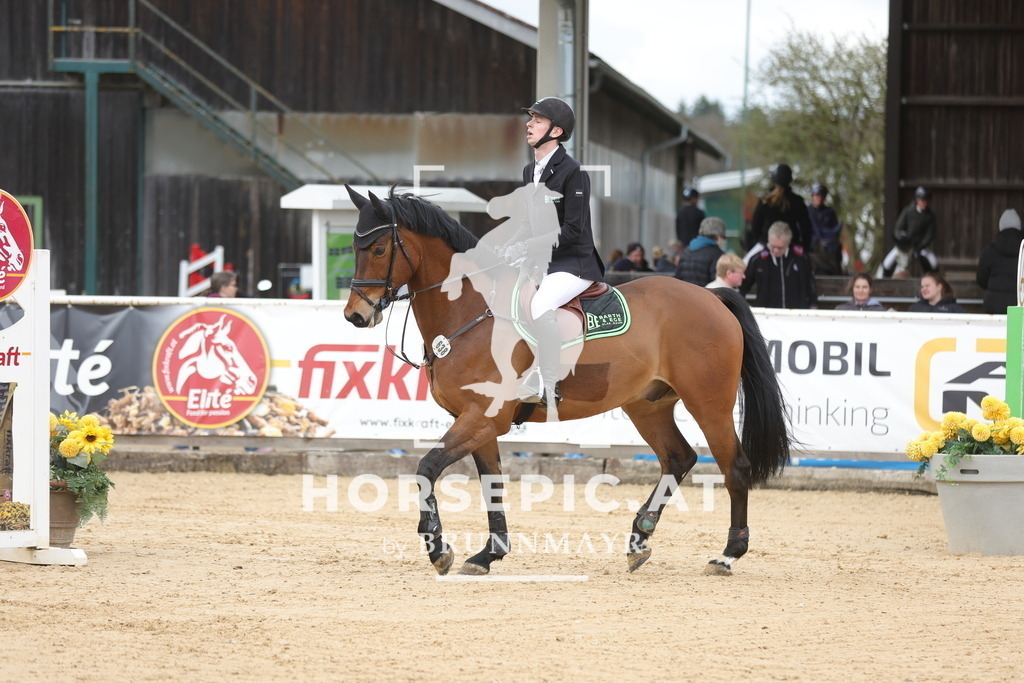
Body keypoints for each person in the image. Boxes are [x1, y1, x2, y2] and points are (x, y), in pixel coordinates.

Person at [516, 96, 605, 407]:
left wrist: (527, 246)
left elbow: (573, 230)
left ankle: (549, 383)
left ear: (555, 131)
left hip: (574, 264)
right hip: (543, 262)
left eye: (537, 120)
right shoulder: (530, 171)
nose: (529, 124)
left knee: (540, 304)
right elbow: (528, 222)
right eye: (531, 118)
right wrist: (505, 246)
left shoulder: (573, 172)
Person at [740, 221, 818, 309]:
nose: (776, 250)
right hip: (766, 314)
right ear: (768, 241)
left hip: (797, 313)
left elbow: (810, 283)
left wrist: (813, 305)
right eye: (772, 246)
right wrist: (742, 308)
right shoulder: (758, 259)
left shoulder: (801, 257)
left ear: (788, 243)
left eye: (780, 247)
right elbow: (743, 285)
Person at [744, 163, 813, 260]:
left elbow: (755, 226)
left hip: (767, 244)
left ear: (774, 180)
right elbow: (806, 228)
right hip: (791, 244)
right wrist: (804, 247)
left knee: (746, 265)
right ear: (790, 180)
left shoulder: (765, 200)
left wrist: (763, 241)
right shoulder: (798, 201)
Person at [882, 187, 938, 277]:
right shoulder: (908, 211)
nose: (925, 203)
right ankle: (885, 279)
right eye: (922, 200)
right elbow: (898, 228)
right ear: (917, 200)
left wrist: (921, 245)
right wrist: (903, 238)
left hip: (919, 246)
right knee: (887, 263)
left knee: (934, 262)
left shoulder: (930, 216)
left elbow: (930, 234)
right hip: (905, 246)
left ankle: (932, 278)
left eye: (926, 201)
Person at [976, 209, 1023, 314]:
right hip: (1020, 306)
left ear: (1000, 226)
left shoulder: (990, 249)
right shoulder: (1023, 249)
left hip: (994, 305)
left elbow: (981, 279)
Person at [675, 216, 726, 286]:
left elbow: (678, 278)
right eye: (724, 237)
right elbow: (717, 284)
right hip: (705, 295)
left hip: (685, 295)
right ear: (718, 236)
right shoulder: (717, 255)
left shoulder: (685, 251)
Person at [808, 183, 843, 275]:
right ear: (812, 196)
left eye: (822, 196)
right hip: (811, 249)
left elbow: (835, 231)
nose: (819, 198)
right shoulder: (807, 211)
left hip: (828, 248)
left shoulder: (830, 212)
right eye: (817, 195)